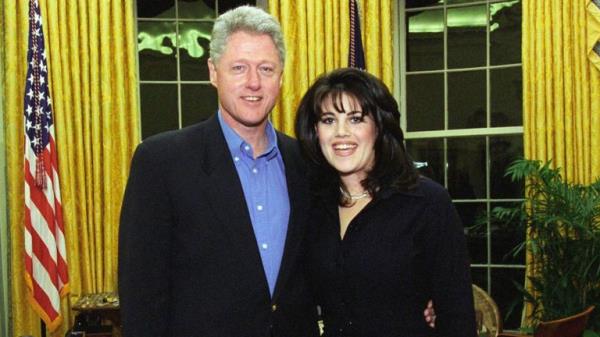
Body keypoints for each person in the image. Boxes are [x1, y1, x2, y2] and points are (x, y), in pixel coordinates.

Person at [118, 6, 318, 337]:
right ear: (213, 72)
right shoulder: (160, 162)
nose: (253, 82)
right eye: (239, 68)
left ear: (281, 76)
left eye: (266, 69)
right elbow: (142, 293)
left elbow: (330, 261)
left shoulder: (305, 162)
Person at [295, 67, 477, 337]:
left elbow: (457, 316)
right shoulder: (311, 206)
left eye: (356, 119)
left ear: (379, 127)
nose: (341, 133)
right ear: (315, 131)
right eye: (329, 120)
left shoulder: (426, 202)